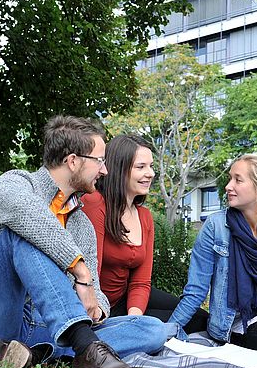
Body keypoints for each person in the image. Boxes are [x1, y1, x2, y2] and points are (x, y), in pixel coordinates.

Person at [0, 116, 170, 368]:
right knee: (21, 234)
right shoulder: (14, 184)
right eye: (99, 161)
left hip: (35, 327)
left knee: (151, 329)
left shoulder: (82, 224)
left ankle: (36, 353)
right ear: (73, 161)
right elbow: (31, 220)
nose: (105, 170)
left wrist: (98, 309)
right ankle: (85, 348)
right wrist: (80, 272)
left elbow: (97, 294)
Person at [168, 154, 257, 351]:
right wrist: (168, 331)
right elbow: (195, 291)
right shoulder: (215, 227)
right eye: (230, 178)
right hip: (237, 325)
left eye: (238, 179)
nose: (228, 186)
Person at [82, 135, 208, 332]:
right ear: (119, 169)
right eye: (140, 167)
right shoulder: (95, 204)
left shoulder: (145, 216)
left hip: (126, 301)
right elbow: (91, 274)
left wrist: (134, 320)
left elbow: (141, 281)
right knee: (159, 326)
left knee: (198, 317)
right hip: (97, 307)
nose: (150, 174)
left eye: (150, 166)